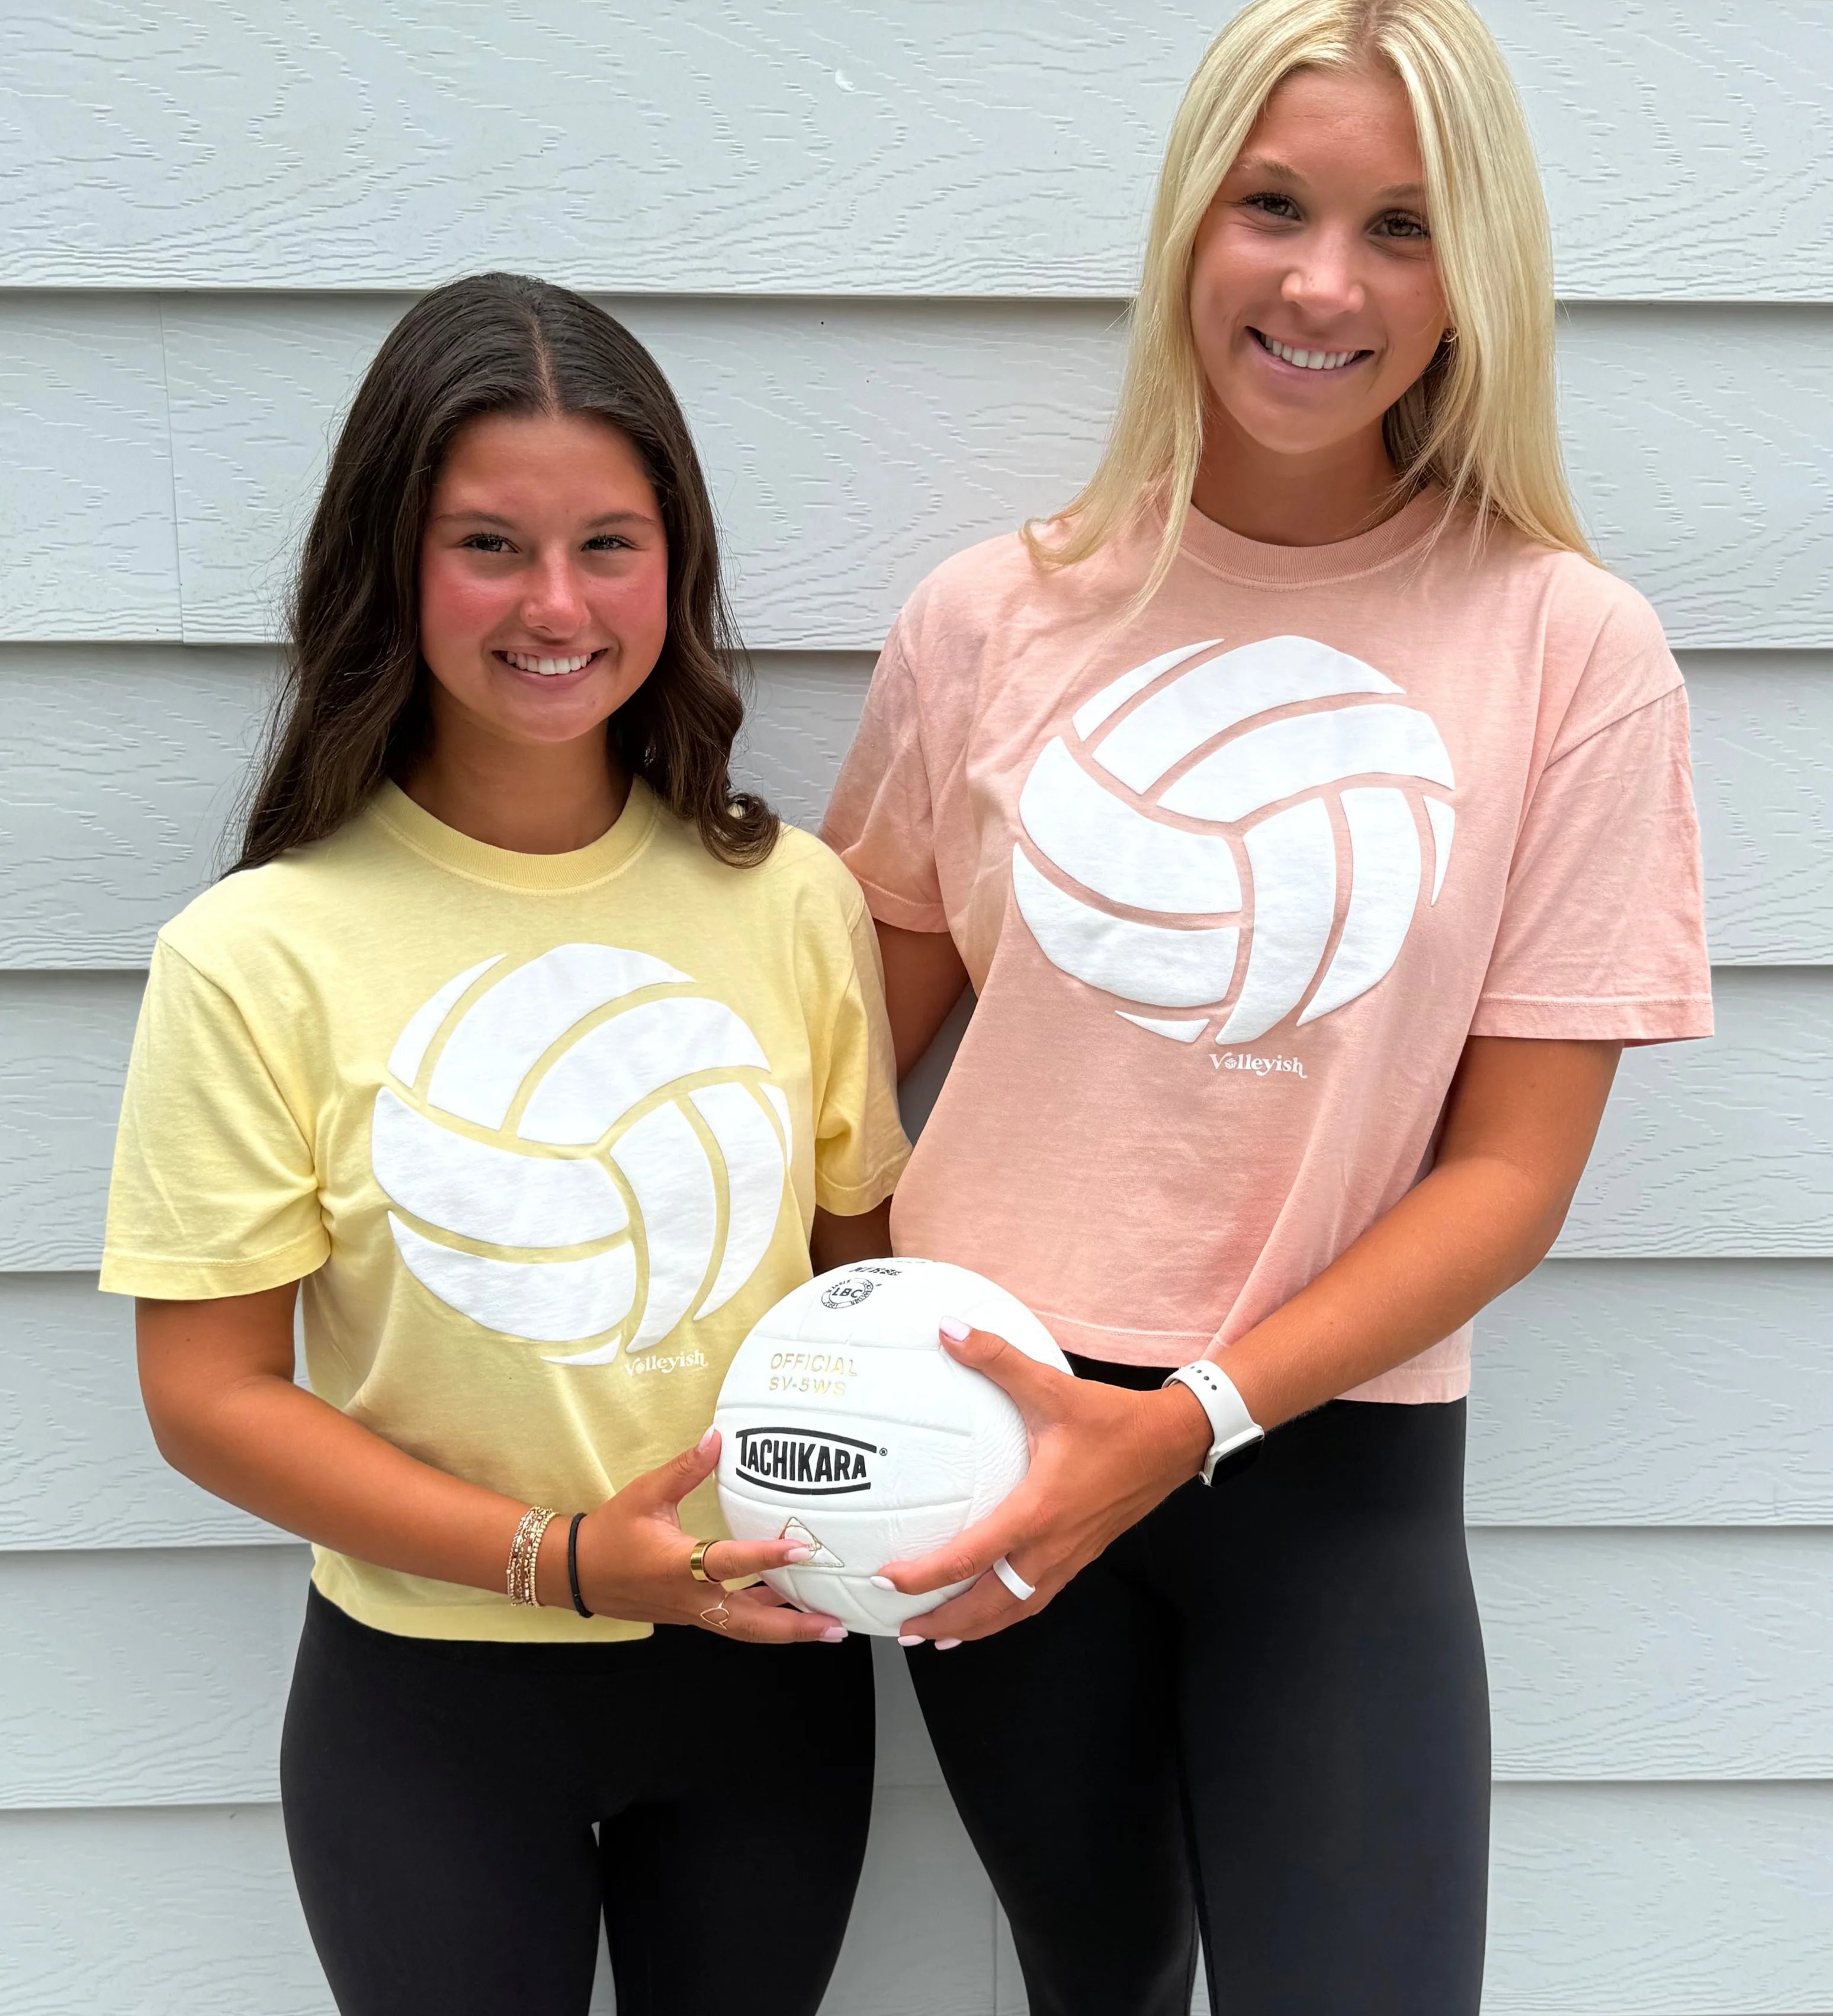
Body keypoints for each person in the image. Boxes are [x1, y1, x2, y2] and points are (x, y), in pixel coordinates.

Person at [822, 2, 1712, 2011]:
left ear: (1475, 279)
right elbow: (836, 1085)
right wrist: (868, 1363)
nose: (1327, 282)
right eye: (1278, 207)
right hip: (1001, 1449)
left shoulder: (1573, 647)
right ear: (1188, 232)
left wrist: (1194, 1418)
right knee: (1097, 1978)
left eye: (1404, 227)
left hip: (1329, 1477)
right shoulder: (988, 620)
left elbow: (1510, 1171)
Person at [100, 273, 909, 2016]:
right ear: (391, 563)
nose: (557, 603)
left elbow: (866, 1287)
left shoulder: (795, 904)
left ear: (676, 564)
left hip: (766, 1680)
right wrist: (559, 1556)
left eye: (610, 543)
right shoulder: (258, 953)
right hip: (427, 1708)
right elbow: (208, 1394)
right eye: (490, 544)